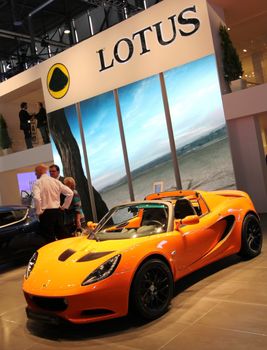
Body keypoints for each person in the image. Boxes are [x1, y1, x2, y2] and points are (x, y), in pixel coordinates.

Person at [32, 163, 73, 243]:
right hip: (57, 212)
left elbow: (37, 198)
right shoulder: (55, 181)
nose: (35, 174)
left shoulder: (37, 183)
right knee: (62, 236)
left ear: (39, 172)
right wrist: (64, 206)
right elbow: (70, 193)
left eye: (35, 172)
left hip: (46, 214)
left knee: (49, 239)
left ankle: (54, 254)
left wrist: (39, 211)